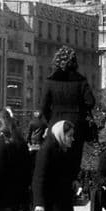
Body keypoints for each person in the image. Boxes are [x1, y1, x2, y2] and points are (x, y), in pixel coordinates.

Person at [41, 46, 95, 175]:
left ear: (57, 61)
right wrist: (79, 111)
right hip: (76, 126)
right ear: (75, 62)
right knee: (73, 165)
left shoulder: (50, 81)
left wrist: (52, 120)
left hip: (55, 123)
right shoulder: (81, 81)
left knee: (54, 163)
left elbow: (43, 107)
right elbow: (90, 102)